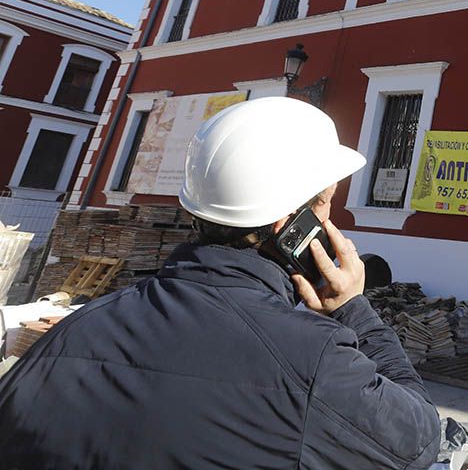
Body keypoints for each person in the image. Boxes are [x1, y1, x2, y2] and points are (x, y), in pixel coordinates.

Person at [0, 96, 441, 469]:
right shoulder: (317, 359)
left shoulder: (74, 331)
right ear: (290, 224)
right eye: (324, 204)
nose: (328, 220)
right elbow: (418, 441)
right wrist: (354, 310)